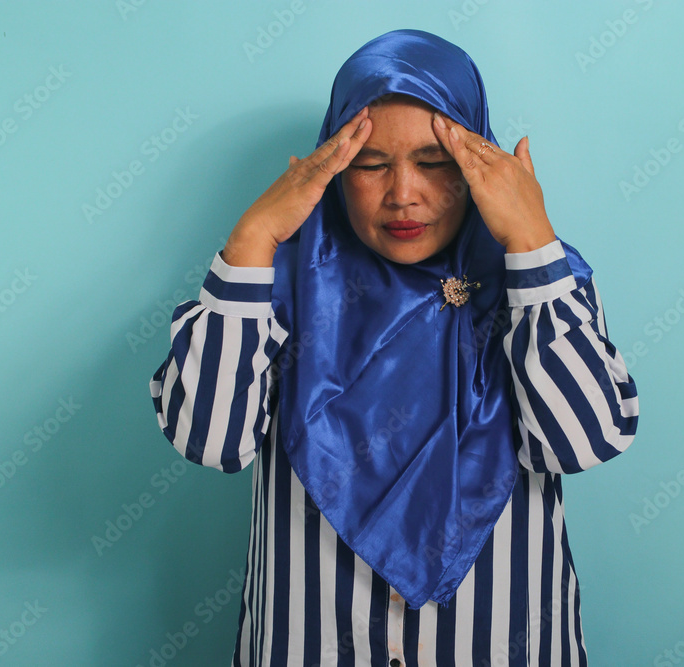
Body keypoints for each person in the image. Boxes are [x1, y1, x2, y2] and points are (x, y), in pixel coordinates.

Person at [150, 28, 639, 666]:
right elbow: (209, 440)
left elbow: (583, 441)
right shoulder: (272, 283)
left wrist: (532, 242)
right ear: (333, 167)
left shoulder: (542, 276)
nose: (402, 193)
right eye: (371, 164)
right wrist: (254, 238)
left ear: (475, 164)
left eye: (434, 164)